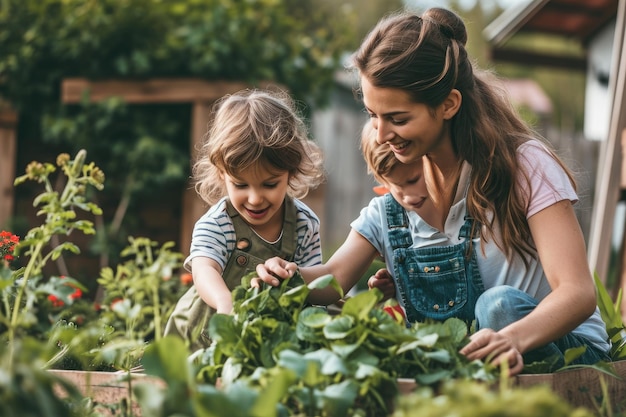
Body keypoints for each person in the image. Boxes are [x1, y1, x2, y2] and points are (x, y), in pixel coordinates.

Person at [255, 7, 611, 376]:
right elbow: (334, 278)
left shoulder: (523, 165)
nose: (380, 135)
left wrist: (513, 337)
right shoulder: (400, 196)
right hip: (477, 364)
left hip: (566, 355)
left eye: (398, 118)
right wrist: (287, 276)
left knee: (498, 307)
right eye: (373, 115)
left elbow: (578, 292)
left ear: (449, 105)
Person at [164, 88, 325, 351]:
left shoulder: (305, 224)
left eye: (269, 184)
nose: (254, 198)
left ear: (291, 172)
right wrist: (224, 302)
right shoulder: (217, 223)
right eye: (240, 185)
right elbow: (204, 270)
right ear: (221, 175)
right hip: (199, 341)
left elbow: (312, 283)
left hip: (265, 341)